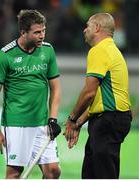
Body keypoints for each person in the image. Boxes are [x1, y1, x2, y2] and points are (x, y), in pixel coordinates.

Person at [0, 9, 61, 179]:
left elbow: (56, 88)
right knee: (14, 173)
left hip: (42, 124)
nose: (42, 35)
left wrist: (53, 119)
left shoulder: (48, 51)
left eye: (43, 31)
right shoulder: (5, 55)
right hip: (16, 124)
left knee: (53, 171)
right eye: (37, 32)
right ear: (23, 32)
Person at [64, 13, 132, 179]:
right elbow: (100, 98)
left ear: (97, 28)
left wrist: (72, 119)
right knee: (91, 173)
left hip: (108, 121)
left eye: (88, 25)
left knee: (102, 175)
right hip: (110, 119)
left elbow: (89, 92)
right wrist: (80, 122)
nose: (84, 30)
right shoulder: (113, 51)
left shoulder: (99, 51)